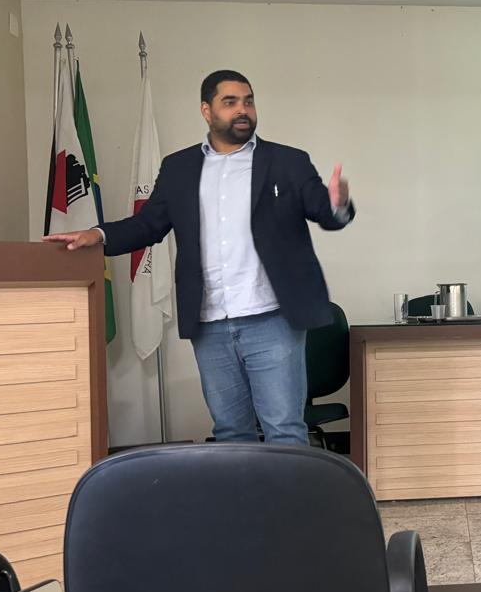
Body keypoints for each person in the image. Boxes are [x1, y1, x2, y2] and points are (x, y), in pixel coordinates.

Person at [44, 69, 354, 446]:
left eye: (248, 101)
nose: (242, 110)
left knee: (284, 429)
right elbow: (148, 224)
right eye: (230, 102)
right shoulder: (179, 168)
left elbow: (325, 212)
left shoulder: (288, 161)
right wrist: (99, 234)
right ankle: (241, 489)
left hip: (272, 320)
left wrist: (337, 204)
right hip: (210, 325)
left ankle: (290, 490)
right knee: (230, 432)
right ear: (207, 111)